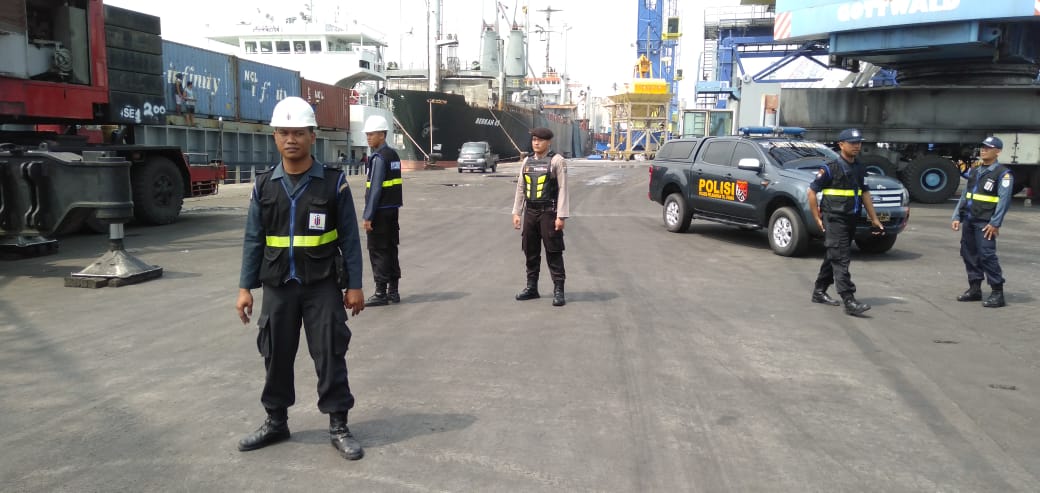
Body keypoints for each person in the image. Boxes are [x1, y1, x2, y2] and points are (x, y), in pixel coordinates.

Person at [235, 96, 366, 460]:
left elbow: (351, 239)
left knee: (329, 353)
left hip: (322, 285)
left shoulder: (333, 183)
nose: (290, 139)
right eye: (283, 132)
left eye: (298, 132)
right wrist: (245, 287)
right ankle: (276, 421)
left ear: (312, 136)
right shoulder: (264, 186)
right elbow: (253, 239)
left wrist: (354, 285)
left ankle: (338, 424)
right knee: (275, 355)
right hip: (278, 287)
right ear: (275, 138)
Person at [807, 128, 884, 316]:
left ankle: (819, 291)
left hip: (851, 218)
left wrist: (874, 218)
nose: (857, 146)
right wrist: (817, 217)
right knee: (841, 257)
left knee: (834, 254)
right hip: (834, 219)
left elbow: (864, 192)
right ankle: (849, 300)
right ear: (841, 145)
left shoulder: (859, 167)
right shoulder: (830, 168)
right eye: (852, 143)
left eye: (859, 143)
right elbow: (811, 191)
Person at [951, 136, 1013, 308]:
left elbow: (1004, 200)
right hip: (970, 220)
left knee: (987, 255)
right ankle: (975, 289)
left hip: (986, 222)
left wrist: (995, 223)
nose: (983, 150)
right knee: (969, 253)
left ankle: (997, 292)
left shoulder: (1003, 174)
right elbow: (966, 195)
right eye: (983, 147)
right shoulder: (975, 170)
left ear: (998, 151)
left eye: (988, 148)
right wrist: (957, 216)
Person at [512, 127, 570, 307]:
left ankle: (558, 290)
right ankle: (531, 288)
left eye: (540, 140)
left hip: (549, 212)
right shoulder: (527, 161)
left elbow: (563, 190)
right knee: (530, 251)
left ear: (548, 142)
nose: (536, 143)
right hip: (530, 212)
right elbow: (521, 187)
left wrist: (561, 216)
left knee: (553, 251)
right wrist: (516, 212)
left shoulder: (557, 161)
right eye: (534, 140)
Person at [361, 115, 403, 306]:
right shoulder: (393, 156)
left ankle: (380, 293)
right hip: (392, 211)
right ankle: (393, 291)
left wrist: (368, 216)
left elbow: (375, 189)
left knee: (377, 250)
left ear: (382, 135)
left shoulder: (378, 158)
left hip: (379, 212)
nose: (368, 138)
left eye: (371, 134)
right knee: (391, 249)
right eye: (367, 135)